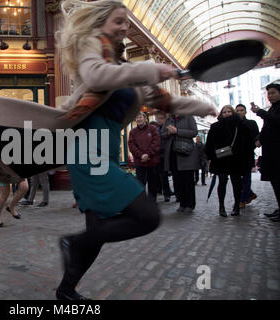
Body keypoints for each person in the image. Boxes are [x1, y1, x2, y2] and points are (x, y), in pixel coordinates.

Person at [54, 0, 216, 300]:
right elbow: (96, 76)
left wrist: (206, 107)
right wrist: (150, 69)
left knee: (97, 232)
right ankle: (73, 245)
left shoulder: (129, 71)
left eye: (127, 22)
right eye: (119, 21)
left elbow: (167, 103)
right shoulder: (94, 44)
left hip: (106, 151)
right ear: (101, 22)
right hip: (87, 149)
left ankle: (66, 290)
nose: (125, 28)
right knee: (147, 216)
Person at [205, 105, 253, 217]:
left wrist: (244, 158)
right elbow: (209, 144)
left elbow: (247, 143)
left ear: (233, 113)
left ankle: (236, 206)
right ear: (221, 114)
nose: (227, 113)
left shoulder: (240, 126)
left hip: (236, 160)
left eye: (229, 111)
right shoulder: (215, 126)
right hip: (221, 159)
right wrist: (212, 156)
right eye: (224, 112)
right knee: (222, 182)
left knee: (236, 183)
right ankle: (221, 207)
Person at [251, 82, 280, 221]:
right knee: (275, 181)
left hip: (277, 151)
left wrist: (260, 112)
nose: (270, 96)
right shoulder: (273, 109)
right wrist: (259, 138)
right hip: (271, 150)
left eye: (273, 92)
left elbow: (276, 122)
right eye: (269, 93)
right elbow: (267, 128)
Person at [161, 114, 200, 213]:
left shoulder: (188, 117)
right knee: (178, 181)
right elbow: (162, 134)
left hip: (186, 153)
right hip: (173, 154)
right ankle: (182, 203)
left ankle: (190, 204)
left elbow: (194, 132)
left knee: (188, 180)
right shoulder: (169, 119)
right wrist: (168, 133)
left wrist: (177, 131)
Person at [128, 112, 160, 202]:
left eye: (140, 117)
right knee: (140, 184)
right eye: (137, 117)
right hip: (140, 162)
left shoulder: (153, 129)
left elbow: (156, 143)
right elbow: (131, 146)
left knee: (153, 184)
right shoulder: (132, 132)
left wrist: (148, 154)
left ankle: (152, 202)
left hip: (152, 161)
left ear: (145, 119)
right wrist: (141, 155)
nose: (138, 119)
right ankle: (142, 203)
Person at [235, 103, 259, 209]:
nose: (239, 112)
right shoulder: (233, 124)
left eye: (241, 110)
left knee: (246, 178)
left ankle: (243, 200)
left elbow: (256, 138)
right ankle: (250, 194)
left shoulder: (251, 123)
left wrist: (250, 148)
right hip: (235, 156)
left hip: (247, 155)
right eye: (237, 110)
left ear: (245, 111)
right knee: (236, 179)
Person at [0, 161, 28, 227]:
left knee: (24, 187)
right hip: (2, 167)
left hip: (17, 165)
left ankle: (11, 207)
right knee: (5, 194)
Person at [155, 112, 174, 202]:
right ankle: (167, 193)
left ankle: (176, 193)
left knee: (173, 175)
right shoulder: (156, 129)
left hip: (169, 154)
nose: (159, 120)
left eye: (161, 118)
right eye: (158, 118)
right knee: (163, 176)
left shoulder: (168, 127)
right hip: (160, 155)